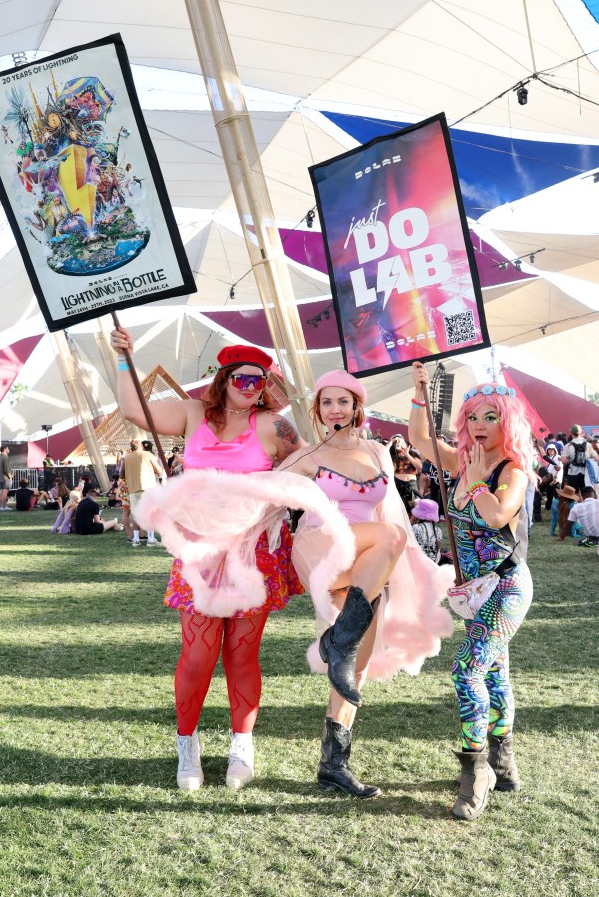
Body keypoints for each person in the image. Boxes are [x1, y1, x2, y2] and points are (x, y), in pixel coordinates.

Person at [110, 326, 305, 792]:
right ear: (224, 378)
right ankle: (187, 744)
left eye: (259, 380)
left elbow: (307, 466)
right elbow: (133, 409)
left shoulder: (274, 425)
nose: (251, 387)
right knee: (197, 656)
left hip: (252, 553)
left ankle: (243, 744)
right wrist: (123, 360)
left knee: (243, 656)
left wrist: (280, 494)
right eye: (242, 378)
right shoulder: (194, 413)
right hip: (200, 553)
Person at [283, 371, 454, 798]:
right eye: (326, 403)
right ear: (318, 410)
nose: (335, 409)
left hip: (368, 561)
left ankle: (333, 765)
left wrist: (406, 567)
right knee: (390, 541)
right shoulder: (307, 455)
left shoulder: (378, 452)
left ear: (357, 405)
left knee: (353, 666)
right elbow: (265, 492)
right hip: (323, 546)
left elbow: (391, 513)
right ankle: (337, 641)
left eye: (343, 401)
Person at [410, 363, 535, 822]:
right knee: (495, 671)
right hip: (475, 592)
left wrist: (481, 480)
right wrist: (416, 390)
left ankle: (476, 768)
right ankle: (504, 762)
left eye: (491, 417)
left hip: (505, 586)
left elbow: (500, 514)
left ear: (508, 421)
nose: (480, 425)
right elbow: (421, 439)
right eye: (474, 417)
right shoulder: (461, 462)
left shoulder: (512, 470)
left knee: (466, 672)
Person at [120, 438, 162, 547]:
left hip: (133, 489)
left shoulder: (126, 458)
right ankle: (151, 539)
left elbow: (121, 475)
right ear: (141, 446)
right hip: (147, 487)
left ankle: (136, 539)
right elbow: (159, 470)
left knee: (136, 515)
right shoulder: (147, 454)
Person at [560, 425, 597, 495]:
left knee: (572, 495)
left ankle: (575, 505)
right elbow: (596, 458)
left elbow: (563, 462)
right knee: (586, 494)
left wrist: (568, 458)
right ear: (580, 433)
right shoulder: (588, 444)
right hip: (585, 473)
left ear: (571, 433)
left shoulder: (568, 445)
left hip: (572, 473)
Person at [410, 497, 443, 563]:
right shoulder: (438, 531)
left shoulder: (416, 528)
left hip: (419, 565)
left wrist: (411, 521)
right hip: (434, 565)